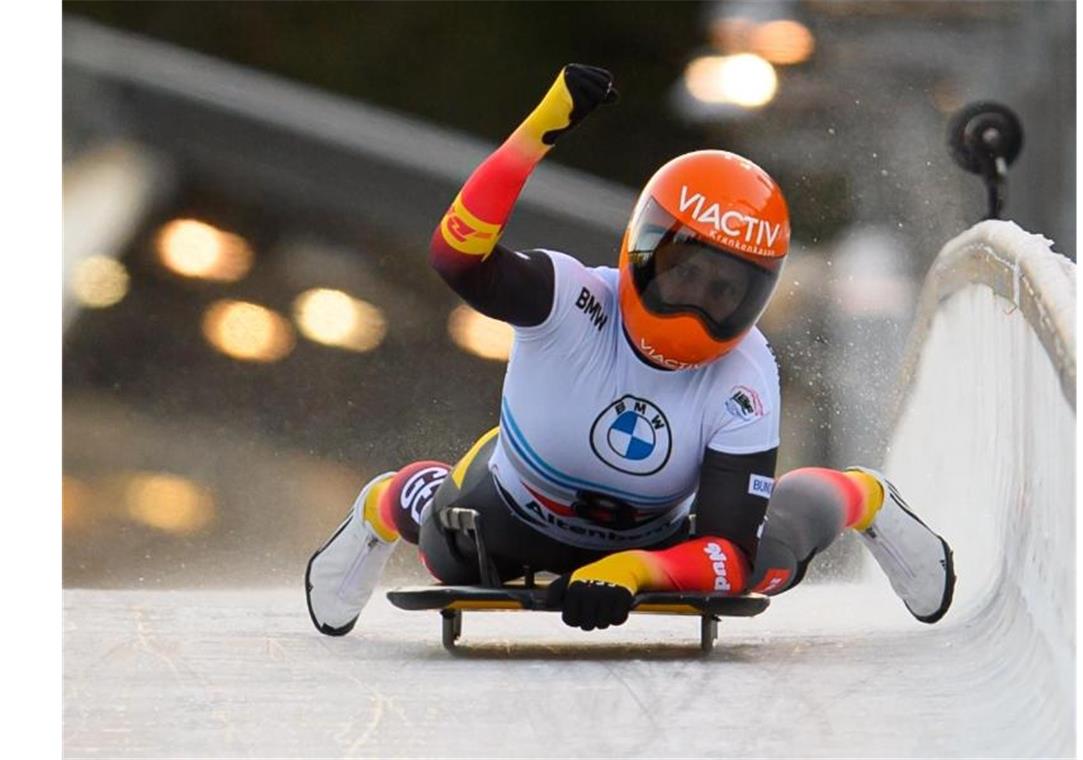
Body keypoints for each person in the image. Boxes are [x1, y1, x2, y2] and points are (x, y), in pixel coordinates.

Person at [305, 65, 955, 635]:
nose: (695, 303)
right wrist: (538, 131)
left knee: (764, 564)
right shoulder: (571, 297)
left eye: (724, 290)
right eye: (684, 273)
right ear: (642, 253)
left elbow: (725, 551)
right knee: (449, 549)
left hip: (655, 534)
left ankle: (860, 496)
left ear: (757, 297)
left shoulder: (746, 369)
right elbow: (457, 255)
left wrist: (635, 569)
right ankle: (386, 501)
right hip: (513, 505)